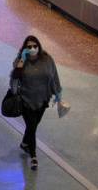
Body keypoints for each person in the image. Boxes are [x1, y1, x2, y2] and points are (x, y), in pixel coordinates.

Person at [10, 35, 62, 171]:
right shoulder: (21, 60)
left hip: (43, 99)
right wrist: (22, 59)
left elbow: (54, 75)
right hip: (26, 100)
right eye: (29, 47)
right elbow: (15, 76)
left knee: (33, 126)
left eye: (35, 46)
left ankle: (24, 143)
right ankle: (33, 156)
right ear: (24, 49)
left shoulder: (47, 59)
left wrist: (58, 92)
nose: (32, 49)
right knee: (32, 126)